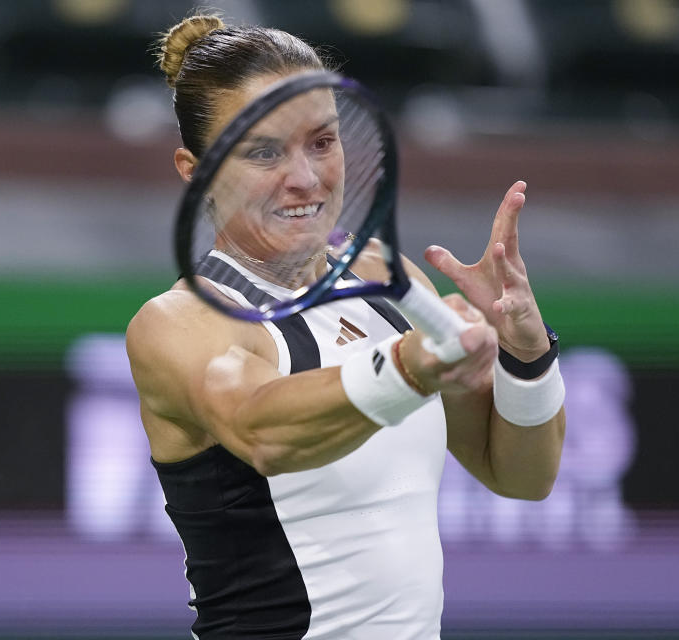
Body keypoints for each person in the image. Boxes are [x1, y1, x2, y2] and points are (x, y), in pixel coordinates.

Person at [126, 13, 566, 640]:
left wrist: (524, 351)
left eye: (322, 142)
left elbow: (523, 476)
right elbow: (263, 432)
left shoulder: (384, 276)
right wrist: (410, 368)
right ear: (194, 171)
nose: (303, 177)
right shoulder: (180, 322)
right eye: (262, 151)